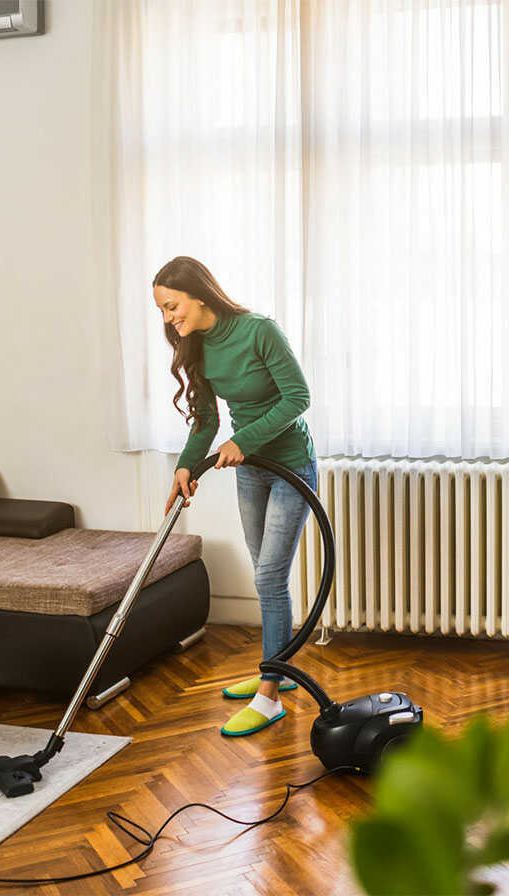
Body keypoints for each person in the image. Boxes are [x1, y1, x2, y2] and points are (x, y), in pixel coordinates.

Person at [154, 256, 317, 736]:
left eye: (172, 306)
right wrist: (187, 464)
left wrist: (243, 441)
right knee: (266, 576)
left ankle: (270, 696)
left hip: (290, 466)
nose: (169, 318)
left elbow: (298, 397)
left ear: (199, 295)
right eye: (162, 311)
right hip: (251, 471)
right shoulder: (196, 346)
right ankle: (277, 671)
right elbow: (206, 419)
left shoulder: (258, 331)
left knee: (268, 577)